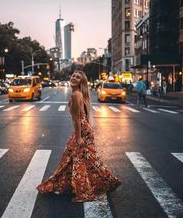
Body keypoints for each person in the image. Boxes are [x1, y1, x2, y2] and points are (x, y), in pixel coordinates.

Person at [37, 70, 121, 202]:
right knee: (86, 158)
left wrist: (78, 137)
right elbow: (85, 116)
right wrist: (87, 130)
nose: (74, 78)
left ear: (81, 82)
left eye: (78, 77)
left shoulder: (76, 95)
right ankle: (107, 181)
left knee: (76, 159)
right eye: (73, 76)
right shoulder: (80, 94)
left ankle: (84, 191)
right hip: (84, 129)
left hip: (81, 130)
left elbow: (77, 119)